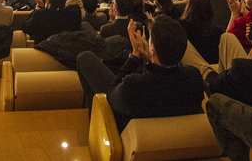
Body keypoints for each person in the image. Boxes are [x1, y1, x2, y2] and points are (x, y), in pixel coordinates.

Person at [76, 16, 205, 131]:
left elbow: (111, 92)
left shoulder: (134, 85)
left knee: (85, 58)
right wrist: (148, 57)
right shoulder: (194, 77)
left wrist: (135, 55)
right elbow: (167, 74)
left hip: (130, 135)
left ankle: (97, 125)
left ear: (153, 49)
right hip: (175, 137)